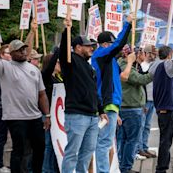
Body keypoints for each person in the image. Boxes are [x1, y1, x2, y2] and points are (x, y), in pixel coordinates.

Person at [0, 23, 50, 173]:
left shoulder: (34, 69)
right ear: (12, 53)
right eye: (19, 50)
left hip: (34, 116)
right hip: (16, 117)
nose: (23, 51)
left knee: (39, 148)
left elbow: (42, 94)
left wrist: (47, 115)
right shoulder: (5, 67)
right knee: (19, 150)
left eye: (24, 49)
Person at [60, 16, 107, 173]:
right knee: (72, 153)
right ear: (78, 47)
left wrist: (101, 110)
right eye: (88, 46)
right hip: (77, 115)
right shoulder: (69, 61)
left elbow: (93, 91)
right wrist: (66, 30)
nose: (91, 49)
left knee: (87, 153)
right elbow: (63, 51)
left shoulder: (88, 66)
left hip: (92, 116)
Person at [91, 13, 133, 173]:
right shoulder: (101, 55)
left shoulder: (110, 60)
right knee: (103, 143)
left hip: (111, 104)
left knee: (105, 142)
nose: (114, 47)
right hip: (107, 104)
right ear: (104, 44)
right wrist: (127, 24)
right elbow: (119, 44)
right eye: (111, 43)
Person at [117, 47, 152, 173]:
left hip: (128, 107)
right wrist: (153, 72)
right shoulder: (126, 66)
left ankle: (123, 166)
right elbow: (141, 79)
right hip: (130, 107)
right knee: (131, 140)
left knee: (124, 139)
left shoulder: (124, 65)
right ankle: (126, 167)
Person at [149, 46, 173, 173]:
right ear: (168, 55)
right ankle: (161, 168)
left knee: (165, 139)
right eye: (171, 54)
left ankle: (163, 166)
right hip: (167, 108)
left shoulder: (155, 65)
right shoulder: (166, 66)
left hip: (162, 107)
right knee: (166, 140)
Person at [41, 48, 62, 173]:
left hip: (56, 115)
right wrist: (57, 52)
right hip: (47, 115)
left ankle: (54, 169)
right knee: (48, 144)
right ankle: (46, 170)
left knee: (55, 145)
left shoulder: (58, 78)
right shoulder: (45, 77)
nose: (60, 64)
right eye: (58, 62)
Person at [0, 45, 12, 173]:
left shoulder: (11, 67)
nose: (11, 55)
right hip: (0, 106)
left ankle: (12, 162)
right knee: (1, 136)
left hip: (11, 106)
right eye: (8, 53)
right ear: (1, 55)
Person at [137, 45, 158, 158]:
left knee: (147, 125)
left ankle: (144, 147)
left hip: (152, 99)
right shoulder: (141, 66)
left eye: (155, 53)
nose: (154, 55)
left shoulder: (154, 65)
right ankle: (139, 148)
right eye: (152, 53)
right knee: (141, 124)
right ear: (146, 53)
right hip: (144, 100)